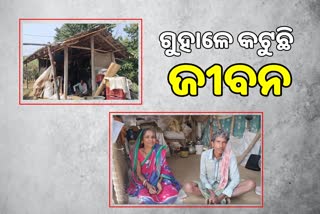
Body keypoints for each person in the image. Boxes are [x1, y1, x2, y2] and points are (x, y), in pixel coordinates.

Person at [184, 130, 256, 204]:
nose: (221, 145)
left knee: (251, 184)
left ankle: (220, 197)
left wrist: (219, 198)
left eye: (224, 142)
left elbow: (235, 178)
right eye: (218, 142)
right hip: (209, 185)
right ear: (212, 143)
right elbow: (203, 176)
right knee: (188, 186)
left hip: (225, 184)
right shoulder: (204, 155)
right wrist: (211, 192)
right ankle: (221, 196)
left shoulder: (231, 156)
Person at [127, 128, 181, 204]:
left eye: (153, 137)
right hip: (144, 180)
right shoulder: (137, 153)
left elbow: (164, 169)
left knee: (170, 193)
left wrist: (159, 182)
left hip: (158, 177)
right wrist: (148, 185)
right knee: (145, 197)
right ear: (142, 140)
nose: (151, 139)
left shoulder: (159, 150)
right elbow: (138, 174)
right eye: (147, 137)